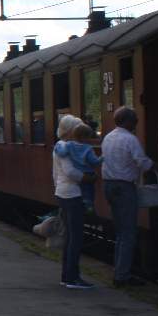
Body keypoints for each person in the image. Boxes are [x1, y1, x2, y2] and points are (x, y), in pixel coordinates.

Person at [100, 106, 152, 287]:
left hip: (108, 185)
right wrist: (154, 167)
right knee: (128, 232)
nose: (136, 124)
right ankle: (122, 276)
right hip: (123, 187)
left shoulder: (107, 137)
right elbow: (141, 161)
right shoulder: (130, 139)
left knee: (121, 231)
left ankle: (119, 271)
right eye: (135, 120)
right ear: (128, 122)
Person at [53, 115, 95, 290]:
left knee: (70, 237)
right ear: (71, 131)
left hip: (63, 193)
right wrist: (87, 178)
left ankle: (67, 276)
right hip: (73, 194)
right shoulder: (66, 149)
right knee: (75, 237)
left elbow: (55, 174)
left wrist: (58, 188)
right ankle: (72, 277)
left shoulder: (60, 147)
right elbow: (70, 171)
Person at [59, 123, 102, 211]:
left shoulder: (69, 145)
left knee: (81, 188)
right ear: (84, 137)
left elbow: (62, 153)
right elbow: (94, 162)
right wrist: (102, 158)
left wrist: (57, 148)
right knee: (89, 189)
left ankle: (84, 201)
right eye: (89, 137)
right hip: (88, 173)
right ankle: (89, 204)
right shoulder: (88, 148)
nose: (90, 139)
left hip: (79, 172)